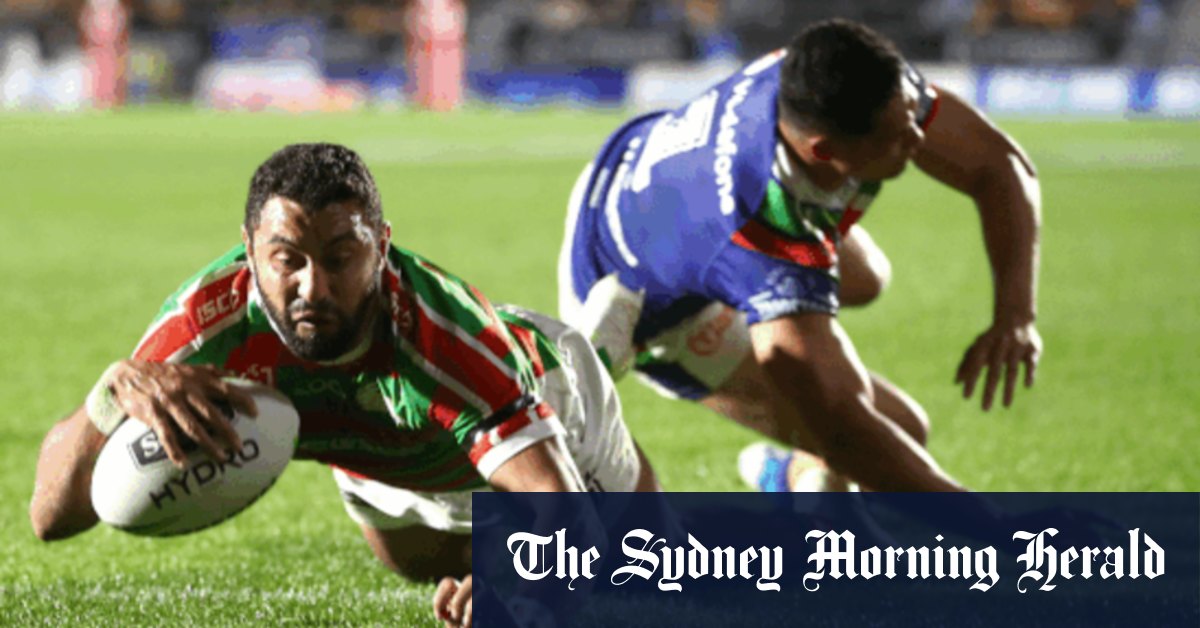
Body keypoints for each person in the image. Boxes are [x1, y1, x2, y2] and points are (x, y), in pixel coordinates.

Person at [30, 143, 658, 628]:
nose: (314, 289)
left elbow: (564, 519)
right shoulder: (203, 334)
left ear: (380, 247)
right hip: (385, 451)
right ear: (249, 251)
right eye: (287, 260)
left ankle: (600, 348)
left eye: (339, 258)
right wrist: (109, 394)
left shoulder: (447, 346)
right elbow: (48, 518)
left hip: (545, 393)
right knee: (414, 566)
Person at [558, 19, 1042, 493]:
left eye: (911, 114)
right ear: (824, 151)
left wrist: (1015, 316)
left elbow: (997, 165)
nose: (917, 140)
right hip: (634, 290)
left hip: (644, 178)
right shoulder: (765, 234)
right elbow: (846, 430)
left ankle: (801, 474)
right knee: (898, 429)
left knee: (867, 277)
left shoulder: (820, 76)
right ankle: (594, 361)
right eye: (894, 138)